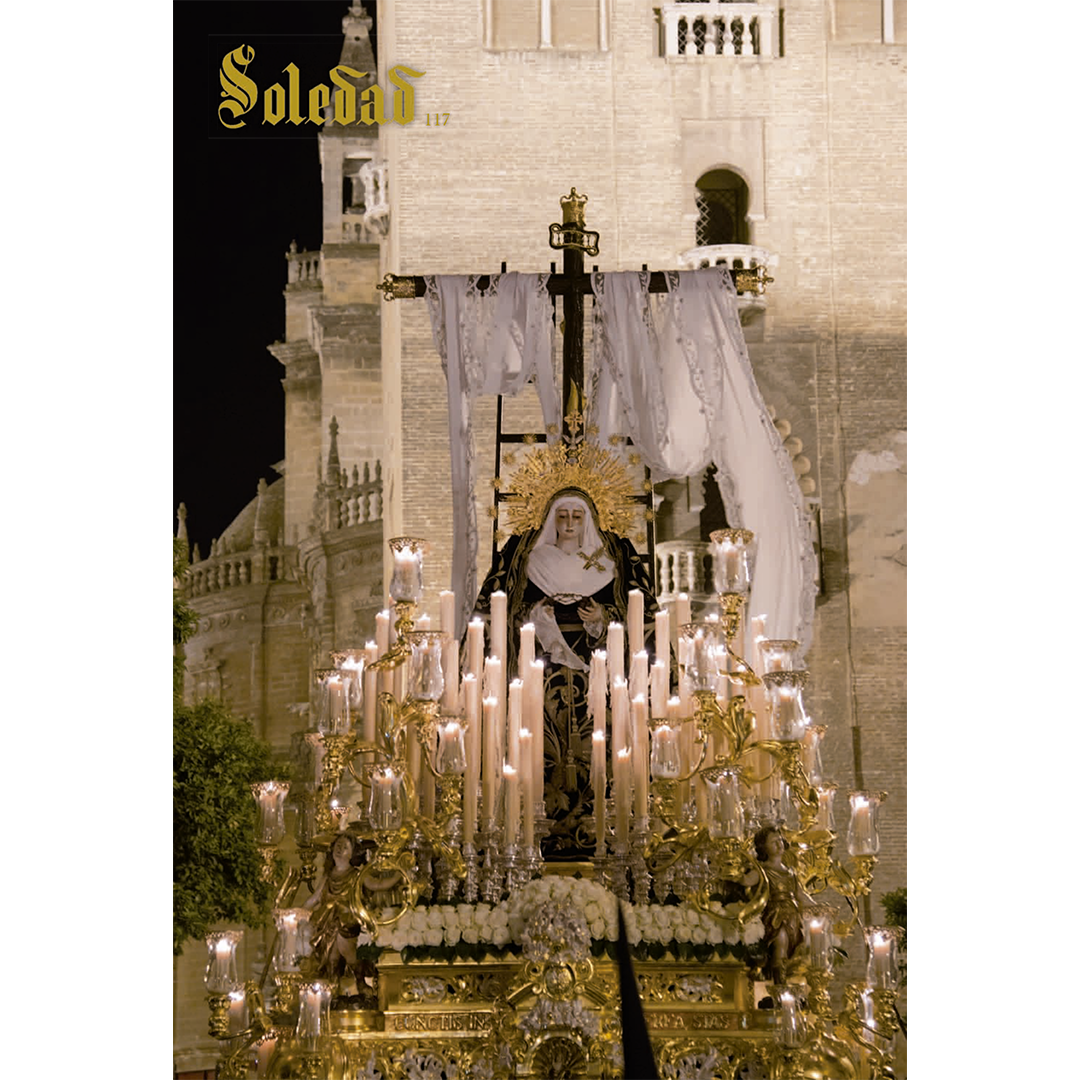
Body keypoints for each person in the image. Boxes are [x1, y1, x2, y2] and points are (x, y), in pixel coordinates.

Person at [474, 488, 657, 858]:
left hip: (597, 679)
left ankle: (604, 831)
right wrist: (535, 615)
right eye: (562, 516)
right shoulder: (529, 557)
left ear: (588, 520)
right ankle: (534, 832)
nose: (570, 523)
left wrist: (602, 618)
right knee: (536, 748)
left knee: (601, 747)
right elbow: (503, 611)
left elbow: (639, 615)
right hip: (542, 676)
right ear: (550, 519)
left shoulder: (609, 558)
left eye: (577, 516)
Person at [304, 832, 375, 1001]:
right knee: (332, 957)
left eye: (345, 847)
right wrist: (296, 914)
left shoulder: (357, 875)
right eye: (337, 846)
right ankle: (333, 987)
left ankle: (360, 982)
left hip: (347, 922)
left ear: (352, 854)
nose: (340, 850)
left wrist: (397, 875)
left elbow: (376, 885)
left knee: (348, 953)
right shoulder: (328, 876)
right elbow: (314, 899)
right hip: (328, 923)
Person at [751, 826, 813, 984]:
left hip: (793, 915)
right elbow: (747, 881)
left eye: (780, 840)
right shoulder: (762, 870)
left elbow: (800, 895)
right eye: (773, 842)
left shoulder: (791, 872)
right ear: (763, 847)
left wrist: (817, 906)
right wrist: (735, 875)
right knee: (780, 941)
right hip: (775, 916)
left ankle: (787, 980)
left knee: (795, 948)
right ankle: (779, 983)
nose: (779, 845)